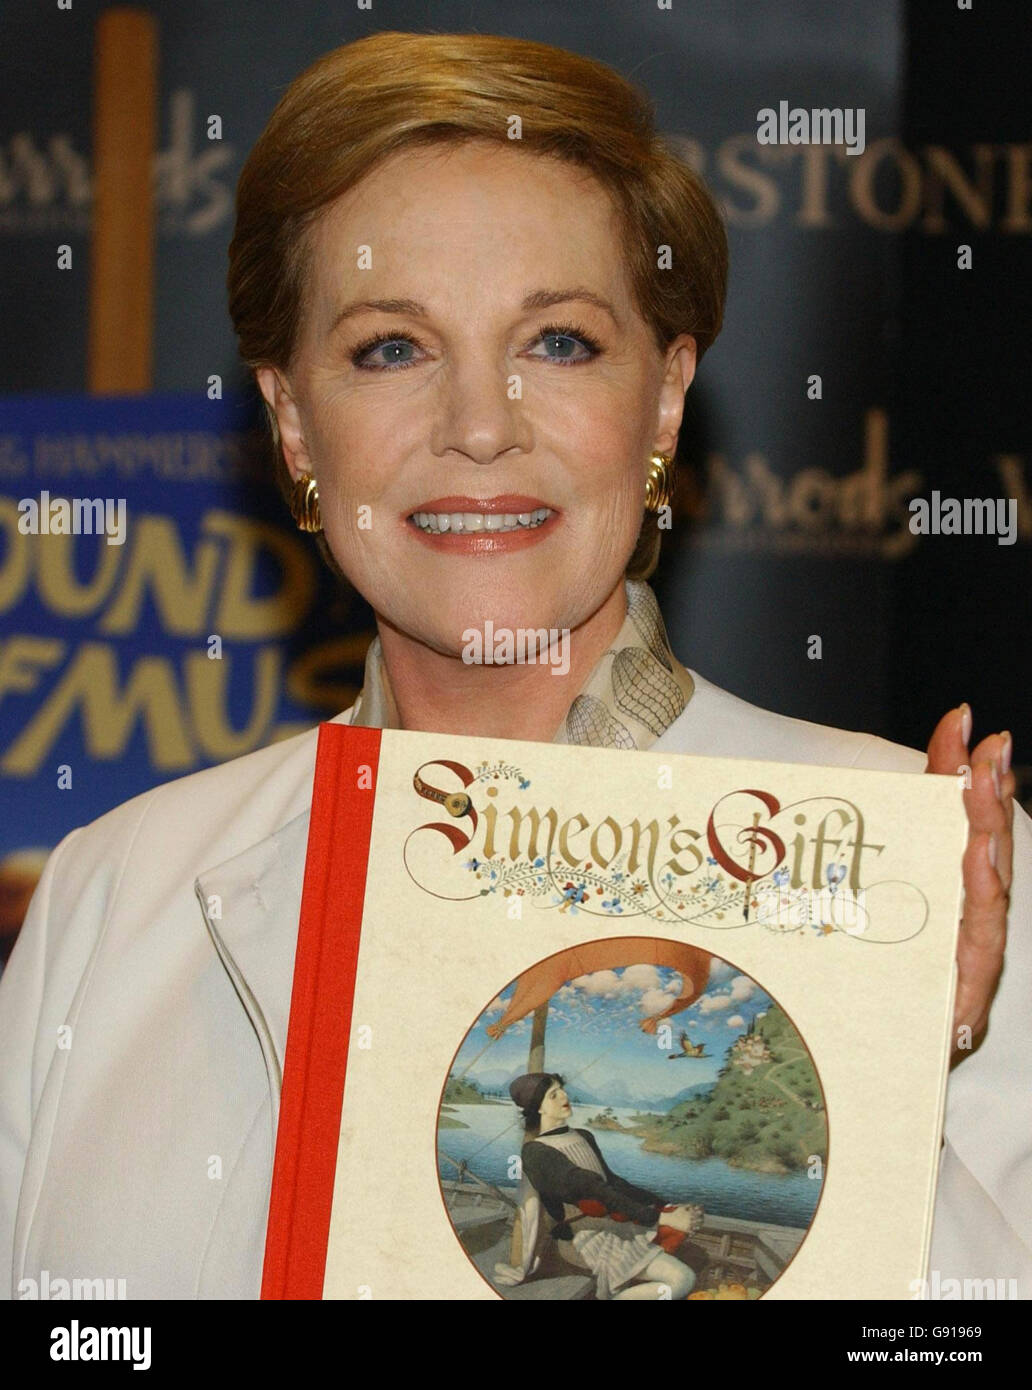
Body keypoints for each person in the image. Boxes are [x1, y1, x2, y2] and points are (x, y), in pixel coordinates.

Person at [0, 31, 1026, 1300]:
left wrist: (894, 1057)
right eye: (391, 348)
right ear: (292, 418)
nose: (480, 425)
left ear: (663, 400)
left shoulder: (925, 872)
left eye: (558, 343)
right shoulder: (111, 896)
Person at [494, 1073, 705, 1300]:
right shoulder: (537, 1152)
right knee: (682, 1279)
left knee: (685, 1273)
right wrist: (659, 1218)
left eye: (561, 1089)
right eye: (553, 1095)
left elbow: (613, 1183)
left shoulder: (583, 1135)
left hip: (613, 1227)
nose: (564, 1095)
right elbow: (596, 1189)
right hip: (583, 1238)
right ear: (539, 1108)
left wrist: (667, 1206)